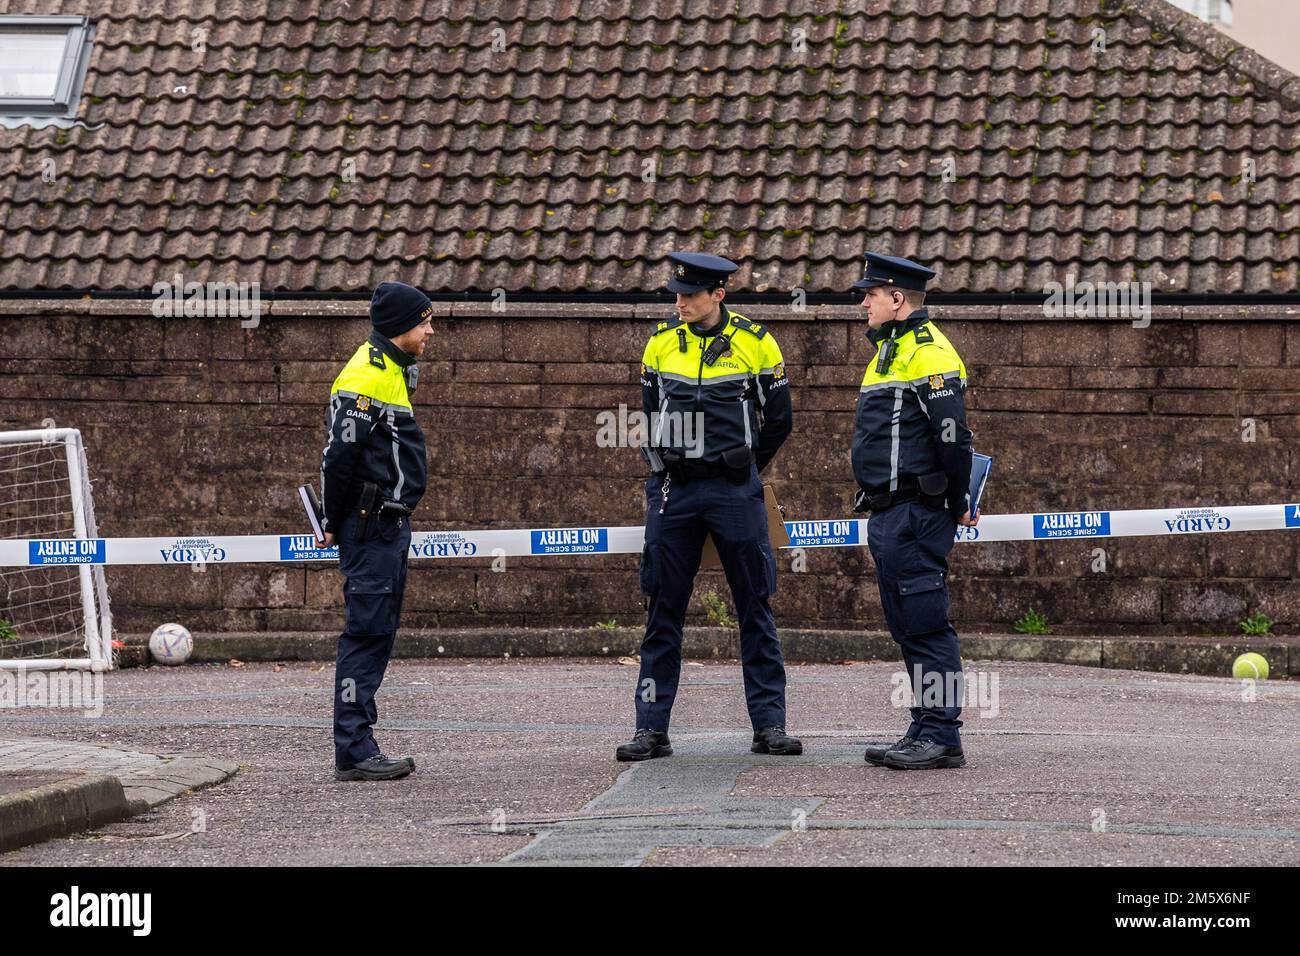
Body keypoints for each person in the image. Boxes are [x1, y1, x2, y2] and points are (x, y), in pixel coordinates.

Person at [616, 252, 799, 762]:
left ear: (718, 294)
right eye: (676, 293)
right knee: (662, 609)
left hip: (732, 490)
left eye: (689, 295)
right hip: (674, 491)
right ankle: (651, 729)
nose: (679, 303)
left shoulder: (758, 344)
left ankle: (770, 726)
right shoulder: (659, 344)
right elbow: (650, 417)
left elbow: (779, 422)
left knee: (755, 608)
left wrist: (741, 469)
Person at [850, 252, 978, 770]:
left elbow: (953, 436)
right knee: (907, 624)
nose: (864, 303)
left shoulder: (929, 352)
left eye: (871, 295)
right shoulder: (890, 350)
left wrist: (958, 498)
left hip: (916, 510)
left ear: (897, 299)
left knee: (926, 624)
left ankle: (943, 733)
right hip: (888, 512)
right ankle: (923, 725)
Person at [318, 281, 433, 781]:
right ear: (400, 326)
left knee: (377, 631)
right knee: (365, 634)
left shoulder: (391, 369)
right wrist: (330, 519)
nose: (431, 329)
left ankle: (358, 743)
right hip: (370, 524)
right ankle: (355, 750)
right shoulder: (366, 375)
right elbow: (338, 457)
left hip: (384, 522)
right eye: (424, 321)